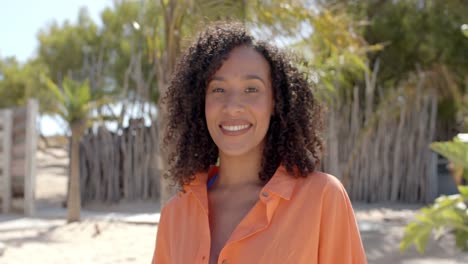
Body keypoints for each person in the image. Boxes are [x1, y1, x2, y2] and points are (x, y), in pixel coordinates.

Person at [152, 22, 367, 264]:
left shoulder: (322, 198)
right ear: (200, 103)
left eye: (251, 89)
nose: (232, 106)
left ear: (276, 102)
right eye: (218, 89)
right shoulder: (175, 214)